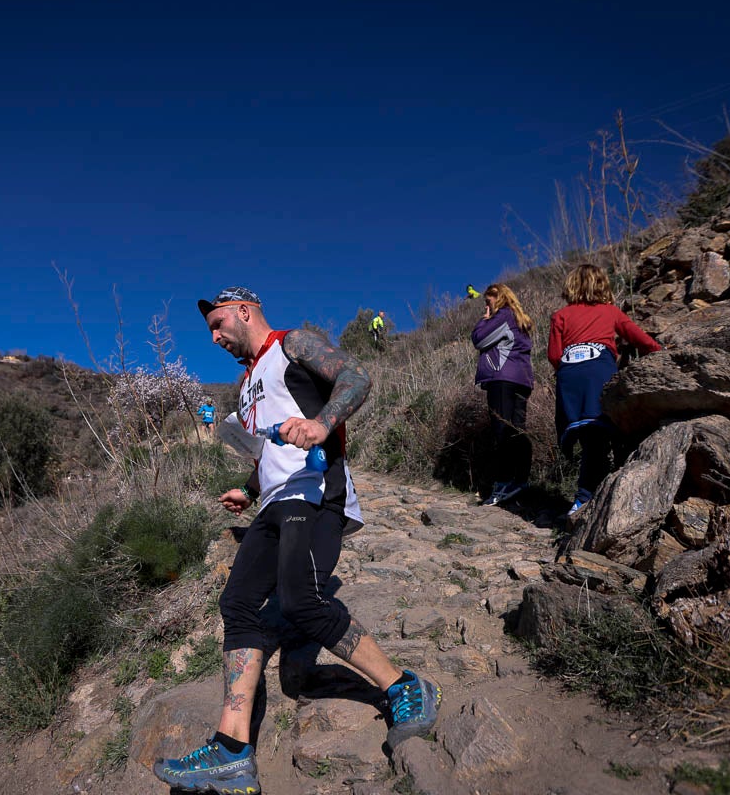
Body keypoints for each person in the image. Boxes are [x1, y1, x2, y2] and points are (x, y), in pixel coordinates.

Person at [152, 286, 441, 794]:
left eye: (218, 324)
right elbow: (267, 451)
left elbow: (358, 377)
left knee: (301, 601)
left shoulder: (295, 344)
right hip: (273, 503)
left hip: (315, 495)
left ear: (244, 310)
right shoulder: (244, 387)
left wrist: (322, 423)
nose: (215, 337)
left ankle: (402, 686)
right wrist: (248, 488)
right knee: (238, 603)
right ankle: (232, 751)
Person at [548, 264, 662, 517]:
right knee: (601, 436)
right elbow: (639, 339)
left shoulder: (560, 316)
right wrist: (661, 352)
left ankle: (586, 495)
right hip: (599, 373)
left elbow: (554, 355)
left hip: (569, 377)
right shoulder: (610, 311)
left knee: (587, 436)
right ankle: (587, 499)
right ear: (601, 285)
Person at [471, 283, 534, 506]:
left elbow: (479, 339)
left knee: (503, 432)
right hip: (522, 380)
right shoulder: (520, 319)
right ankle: (521, 481)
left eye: (488, 301)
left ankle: (504, 483)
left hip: (502, 378)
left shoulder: (504, 316)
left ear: (498, 298)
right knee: (517, 430)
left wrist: (485, 319)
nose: (486, 306)